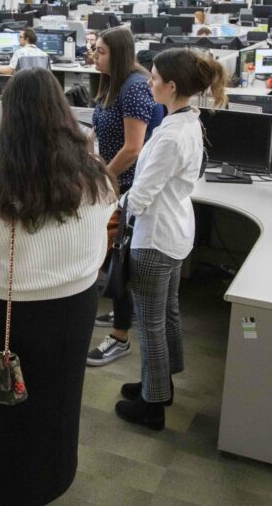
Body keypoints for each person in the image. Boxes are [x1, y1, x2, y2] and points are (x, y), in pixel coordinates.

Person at [0, 68, 116, 506]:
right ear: (62, 115)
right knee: (59, 402)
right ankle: (52, 479)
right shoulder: (96, 179)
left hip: (4, 315)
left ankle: (1, 485)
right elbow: (100, 243)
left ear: (8, 122)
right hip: (75, 312)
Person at [115, 48, 226, 430]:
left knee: (150, 324)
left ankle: (153, 404)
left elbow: (140, 198)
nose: (149, 82)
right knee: (167, 315)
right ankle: (159, 381)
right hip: (176, 233)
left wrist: (109, 205)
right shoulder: (189, 121)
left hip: (156, 240)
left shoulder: (169, 138)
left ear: (172, 86)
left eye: (155, 78)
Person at [86, 27, 164, 366]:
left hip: (129, 186)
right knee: (115, 258)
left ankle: (120, 337)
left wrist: (105, 179)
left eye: (100, 51)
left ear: (116, 53)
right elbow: (100, 123)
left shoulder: (134, 88)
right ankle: (121, 315)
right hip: (114, 181)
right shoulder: (113, 82)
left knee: (120, 262)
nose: (94, 56)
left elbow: (133, 148)